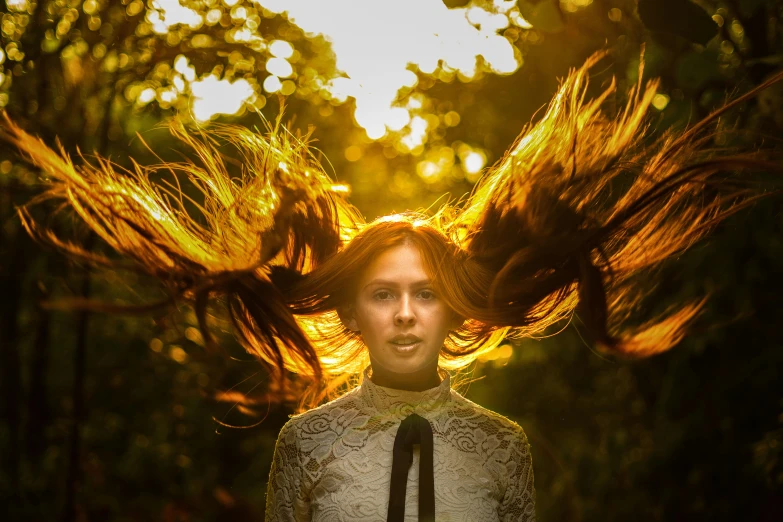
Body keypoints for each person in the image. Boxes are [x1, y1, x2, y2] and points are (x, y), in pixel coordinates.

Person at [1, 53, 781, 520]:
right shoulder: (304, 442)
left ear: (456, 307)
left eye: (424, 293)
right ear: (351, 309)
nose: (405, 312)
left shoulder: (503, 447)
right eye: (382, 293)